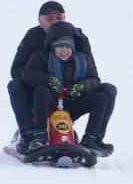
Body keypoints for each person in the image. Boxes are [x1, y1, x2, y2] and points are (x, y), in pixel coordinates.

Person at [17, 22, 116, 156]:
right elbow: (28, 75)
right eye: (60, 46)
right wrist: (48, 80)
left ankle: (91, 138)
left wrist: (82, 86)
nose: (64, 50)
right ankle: (39, 136)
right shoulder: (41, 57)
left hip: (72, 104)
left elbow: (95, 80)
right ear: (53, 46)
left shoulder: (83, 60)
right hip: (49, 105)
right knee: (41, 90)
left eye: (68, 46)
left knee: (102, 96)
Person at [8, 1, 96, 133]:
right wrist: (45, 80)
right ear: (40, 21)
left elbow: (92, 73)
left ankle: (92, 138)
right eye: (49, 19)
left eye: (59, 18)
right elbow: (16, 71)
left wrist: (81, 86)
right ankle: (30, 133)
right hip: (40, 93)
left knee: (107, 90)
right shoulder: (33, 37)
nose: (55, 22)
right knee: (15, 85)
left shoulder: (78, 37)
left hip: (71, 95)